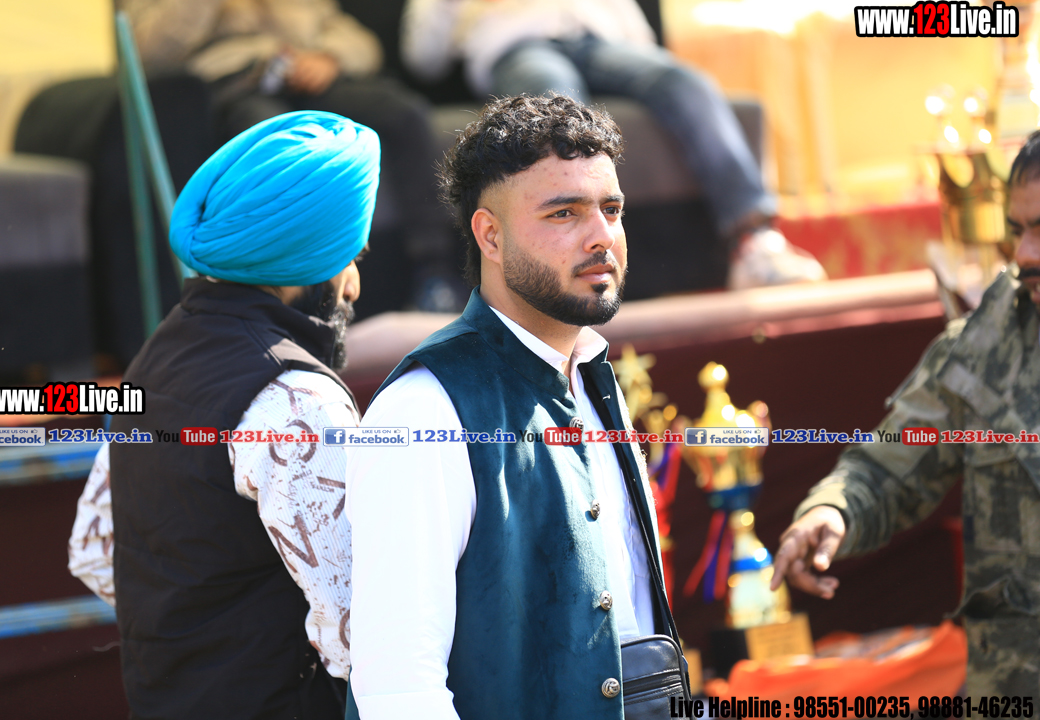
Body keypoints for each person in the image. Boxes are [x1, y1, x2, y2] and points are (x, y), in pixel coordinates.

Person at [344, 94, 684, 720]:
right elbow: (398, 690)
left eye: (611, 209)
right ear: (490, 236)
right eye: (564, 213)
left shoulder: (595, 378)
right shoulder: (422, 411)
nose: (602, 237)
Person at [67, 111, 378, 719]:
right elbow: (361, 631)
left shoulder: (154, 359)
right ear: (307, 258)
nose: (354, 285)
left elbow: (93, 549)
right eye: (350, 256)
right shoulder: (297, 400)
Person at [770, 131, 1040, 696]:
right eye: (1018, 231)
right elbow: (888, 468)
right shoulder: (984, 347)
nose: (1025, 255)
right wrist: (833, 511)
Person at [400, 0, 827, 291]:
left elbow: (637, 31)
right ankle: (574, 267)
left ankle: (754, 242)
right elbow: (422, 57)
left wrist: (641, 60)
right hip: (517, 47)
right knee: (556, 106)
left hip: (602, 42)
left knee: (686, 84)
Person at [119, 0, 464, 313]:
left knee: (405, 114)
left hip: (305, 74)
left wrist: (330, 58)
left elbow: (360, 41)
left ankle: (433, 272)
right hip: (235, 83)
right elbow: (147, 52)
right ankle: (290, 294)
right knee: (279, 147)